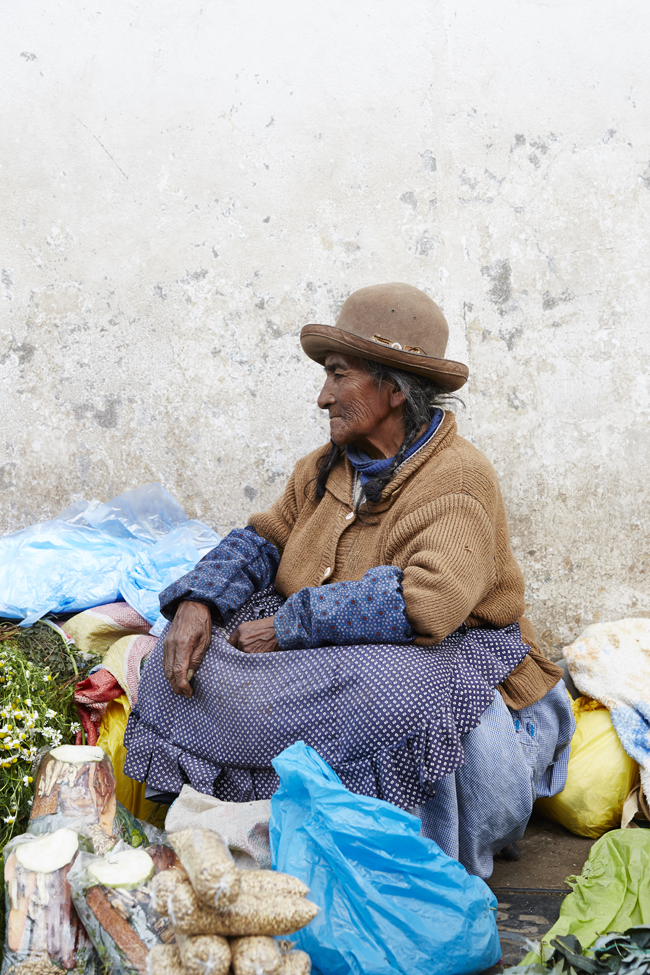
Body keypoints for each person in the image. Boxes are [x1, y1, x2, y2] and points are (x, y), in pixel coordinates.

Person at [124, 282, 574, 878]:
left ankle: (377, 849)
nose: (322, 397)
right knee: (182, 656)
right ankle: (266, 817)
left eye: (339, 376)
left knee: (394, 693)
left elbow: (429, 605)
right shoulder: (322, 468)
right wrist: (198, 603)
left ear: (393, 388)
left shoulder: (457, 481)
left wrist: (288, 625)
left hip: (455, 669)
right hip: (334, 661)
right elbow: (267, 536)